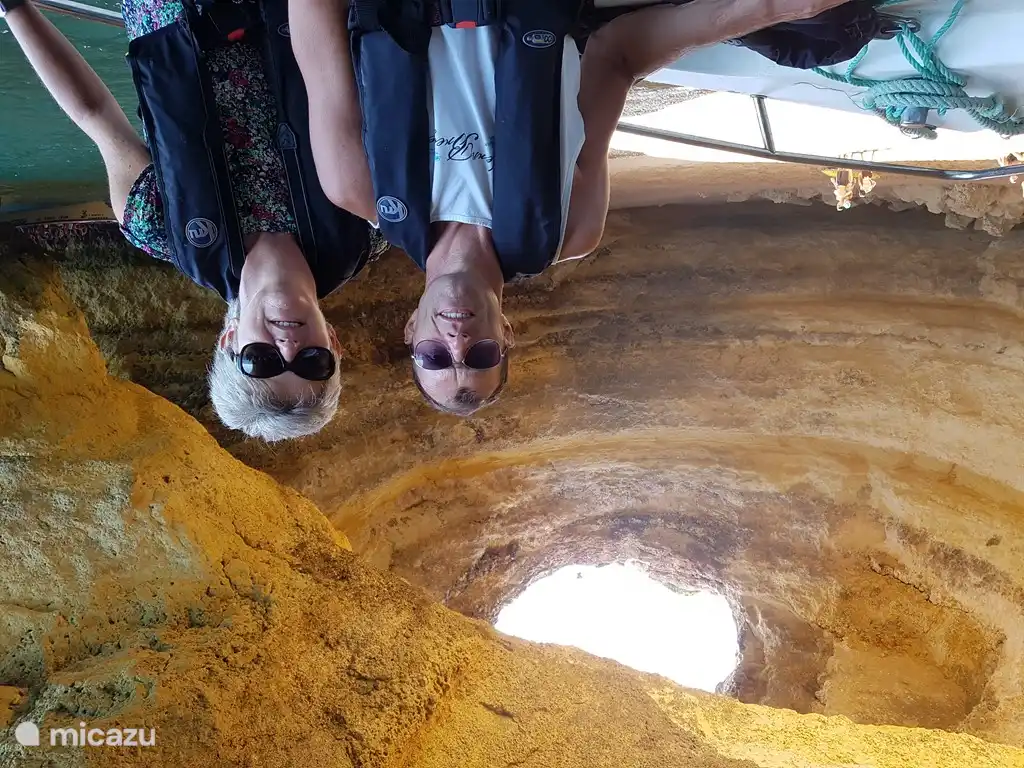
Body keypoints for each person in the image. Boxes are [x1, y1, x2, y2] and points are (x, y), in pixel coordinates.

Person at [288, 0, 854, 416]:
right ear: (506, 333)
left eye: (435, 357)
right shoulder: (571, 228)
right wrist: (768, 9)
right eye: (481, 355)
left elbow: (316, 29)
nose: (458, 342)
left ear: (412, 330)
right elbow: (616, 56)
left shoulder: (355, 188)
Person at [2, 0, 381, 439]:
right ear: (333, 343)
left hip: (168, 13)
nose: (288, 346)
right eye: (311, 362)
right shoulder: (369, 224)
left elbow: (95, 115)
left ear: (229, 342)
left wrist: (14, 9)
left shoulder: (159, 227)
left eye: (262, 360)